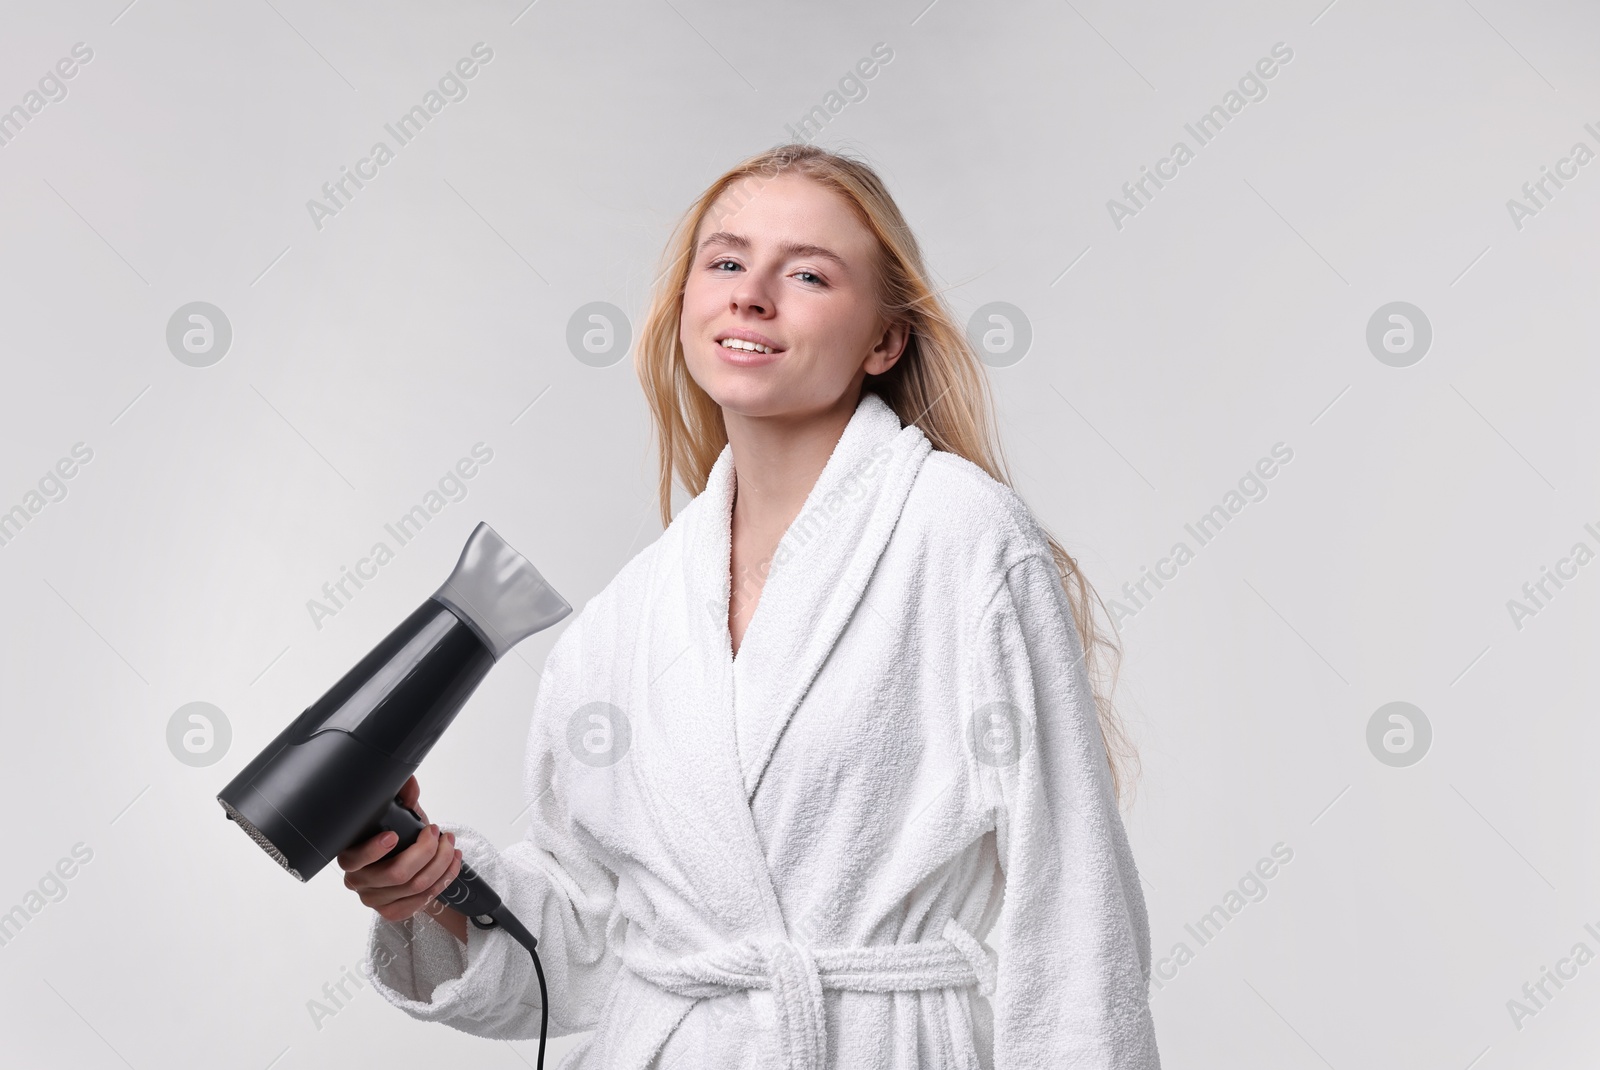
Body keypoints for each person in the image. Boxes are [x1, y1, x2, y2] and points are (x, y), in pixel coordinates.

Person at [338, 143, 1161, 1069]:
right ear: (688, 301)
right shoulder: (628, 616)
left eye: (807, 274)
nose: (751, 295)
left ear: (885, 340)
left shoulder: (966, 540)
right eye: (725, 262)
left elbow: (1072, 901)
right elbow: (583, 949)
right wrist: (437, 886)